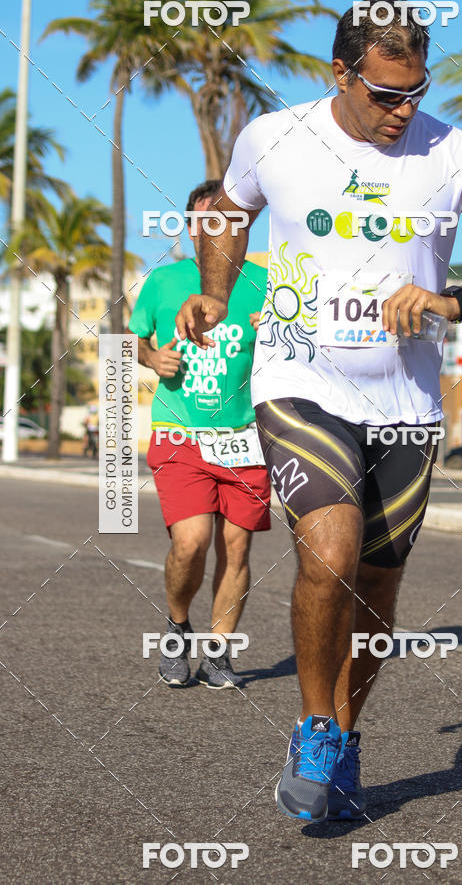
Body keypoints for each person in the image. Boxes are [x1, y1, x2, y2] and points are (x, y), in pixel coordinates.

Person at [175, 0, 462, 820]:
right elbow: (227, 213)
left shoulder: (456, 153)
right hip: (300, 381)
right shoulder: (272, 137)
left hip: (406, 404)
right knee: (332, 551)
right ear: (340, 73)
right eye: (386, 93)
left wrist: (458, 301)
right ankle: (316, 726)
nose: (403, 110)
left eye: (416, 91)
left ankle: (344, 740)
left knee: (377, 589)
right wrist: (214, 292)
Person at [127, 179, 270, 690]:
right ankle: (177, 626)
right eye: (205, 222)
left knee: (237, 548)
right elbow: (129, 339)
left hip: (247, 435)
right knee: (191, 542)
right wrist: (150, 357)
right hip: (179, 430)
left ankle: (219, 652)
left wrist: (278, 330)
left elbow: (303, 351)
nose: (215, 232)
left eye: (228, 222)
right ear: (189, 229)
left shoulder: (268, 283)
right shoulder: (164, 282)